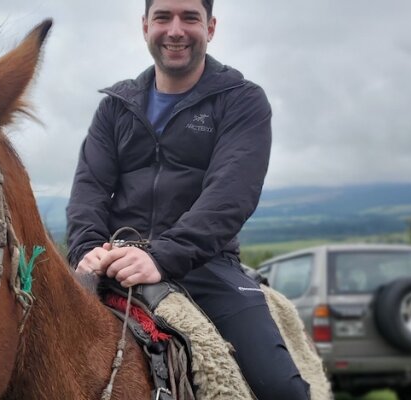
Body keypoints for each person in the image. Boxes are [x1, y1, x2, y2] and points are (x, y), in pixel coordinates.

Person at [66, 0, 310, 398]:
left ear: (210, 28)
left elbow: (231, 194)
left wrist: (161, 256)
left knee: (281, 390)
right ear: (145, 26)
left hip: (206, 265)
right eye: (163, 17)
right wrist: (87, 249)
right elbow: (89, 188)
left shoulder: (241, 101)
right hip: (113, 260)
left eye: (189, 18)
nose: (175, 30)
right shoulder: (114, 108)